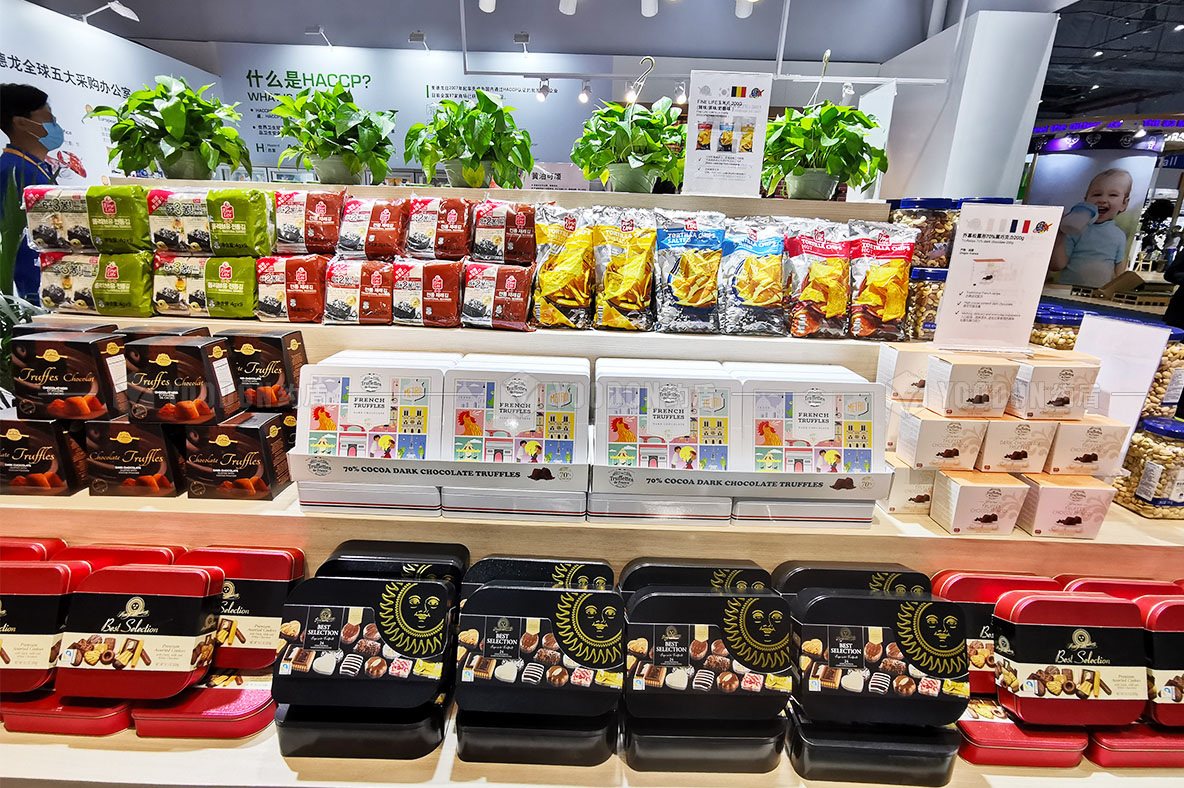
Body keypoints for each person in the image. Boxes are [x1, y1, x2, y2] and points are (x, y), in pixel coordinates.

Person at [1, 84, 61, 298]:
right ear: (21, 122)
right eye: (49, 117)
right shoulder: (12, 170)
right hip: (31, 288)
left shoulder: (36, 167)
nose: (55, 124)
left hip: (52, 279)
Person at [1048, 168, 1133, 289]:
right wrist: (1060, 234)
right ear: (1085, 200)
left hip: (1098, 292)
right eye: (1097, 194)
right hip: (1067, 290)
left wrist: (1118, 290)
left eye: (1113, 195)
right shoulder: (1075, 229)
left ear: (1124, 204)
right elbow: (1057, 265)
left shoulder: (1119, 235)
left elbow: (1119, 268)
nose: (1103, 200)